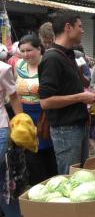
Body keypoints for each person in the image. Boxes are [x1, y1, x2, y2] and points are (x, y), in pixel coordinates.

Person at [38, 10, 95, 175]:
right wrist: (81, 97)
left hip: (79, 125)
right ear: (68, 27)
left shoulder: (70, 54)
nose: (83, 30)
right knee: (69, 178)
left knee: (80, 175)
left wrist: (89, 94)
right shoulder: (52, 58)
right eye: (79, 26)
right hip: (65, 130)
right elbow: (45, 101)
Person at [15, 34, 57, 185]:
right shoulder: (18, 65)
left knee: (48, 152)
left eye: (29, 50)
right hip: (25, 115)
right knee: (31, 154)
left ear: (39, 49)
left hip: (45, 115)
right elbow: (15, 93)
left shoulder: (47, 64)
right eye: (23, 51)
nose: (26, 54)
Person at [0, 49, 23, 216]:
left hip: (0, 129)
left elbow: (14, 97)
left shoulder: (3, 69)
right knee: (3, 180)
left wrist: (22, 123)